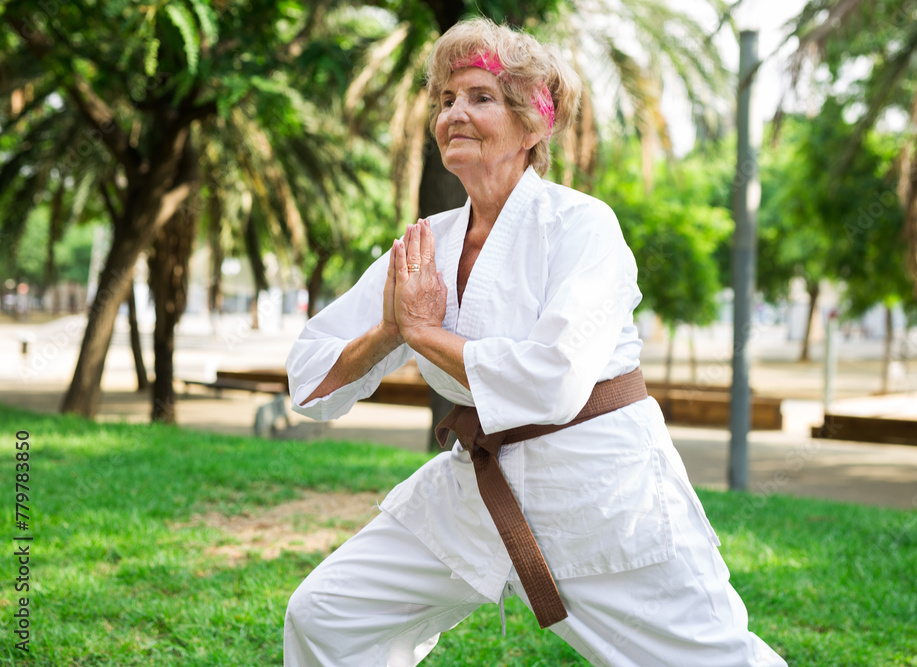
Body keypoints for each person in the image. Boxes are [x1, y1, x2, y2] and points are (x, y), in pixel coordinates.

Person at [283, 17, 786, 667]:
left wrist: (425, 334)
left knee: (718, 661)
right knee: (329, 613)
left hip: (599, 492)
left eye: (479, 96)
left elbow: (555, 376)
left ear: (533, 125)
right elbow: (310, 378)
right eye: (444, 99)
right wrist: (389, 330)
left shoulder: (582, 226)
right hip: (476, 493)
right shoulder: (424, 246)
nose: (454, 112)